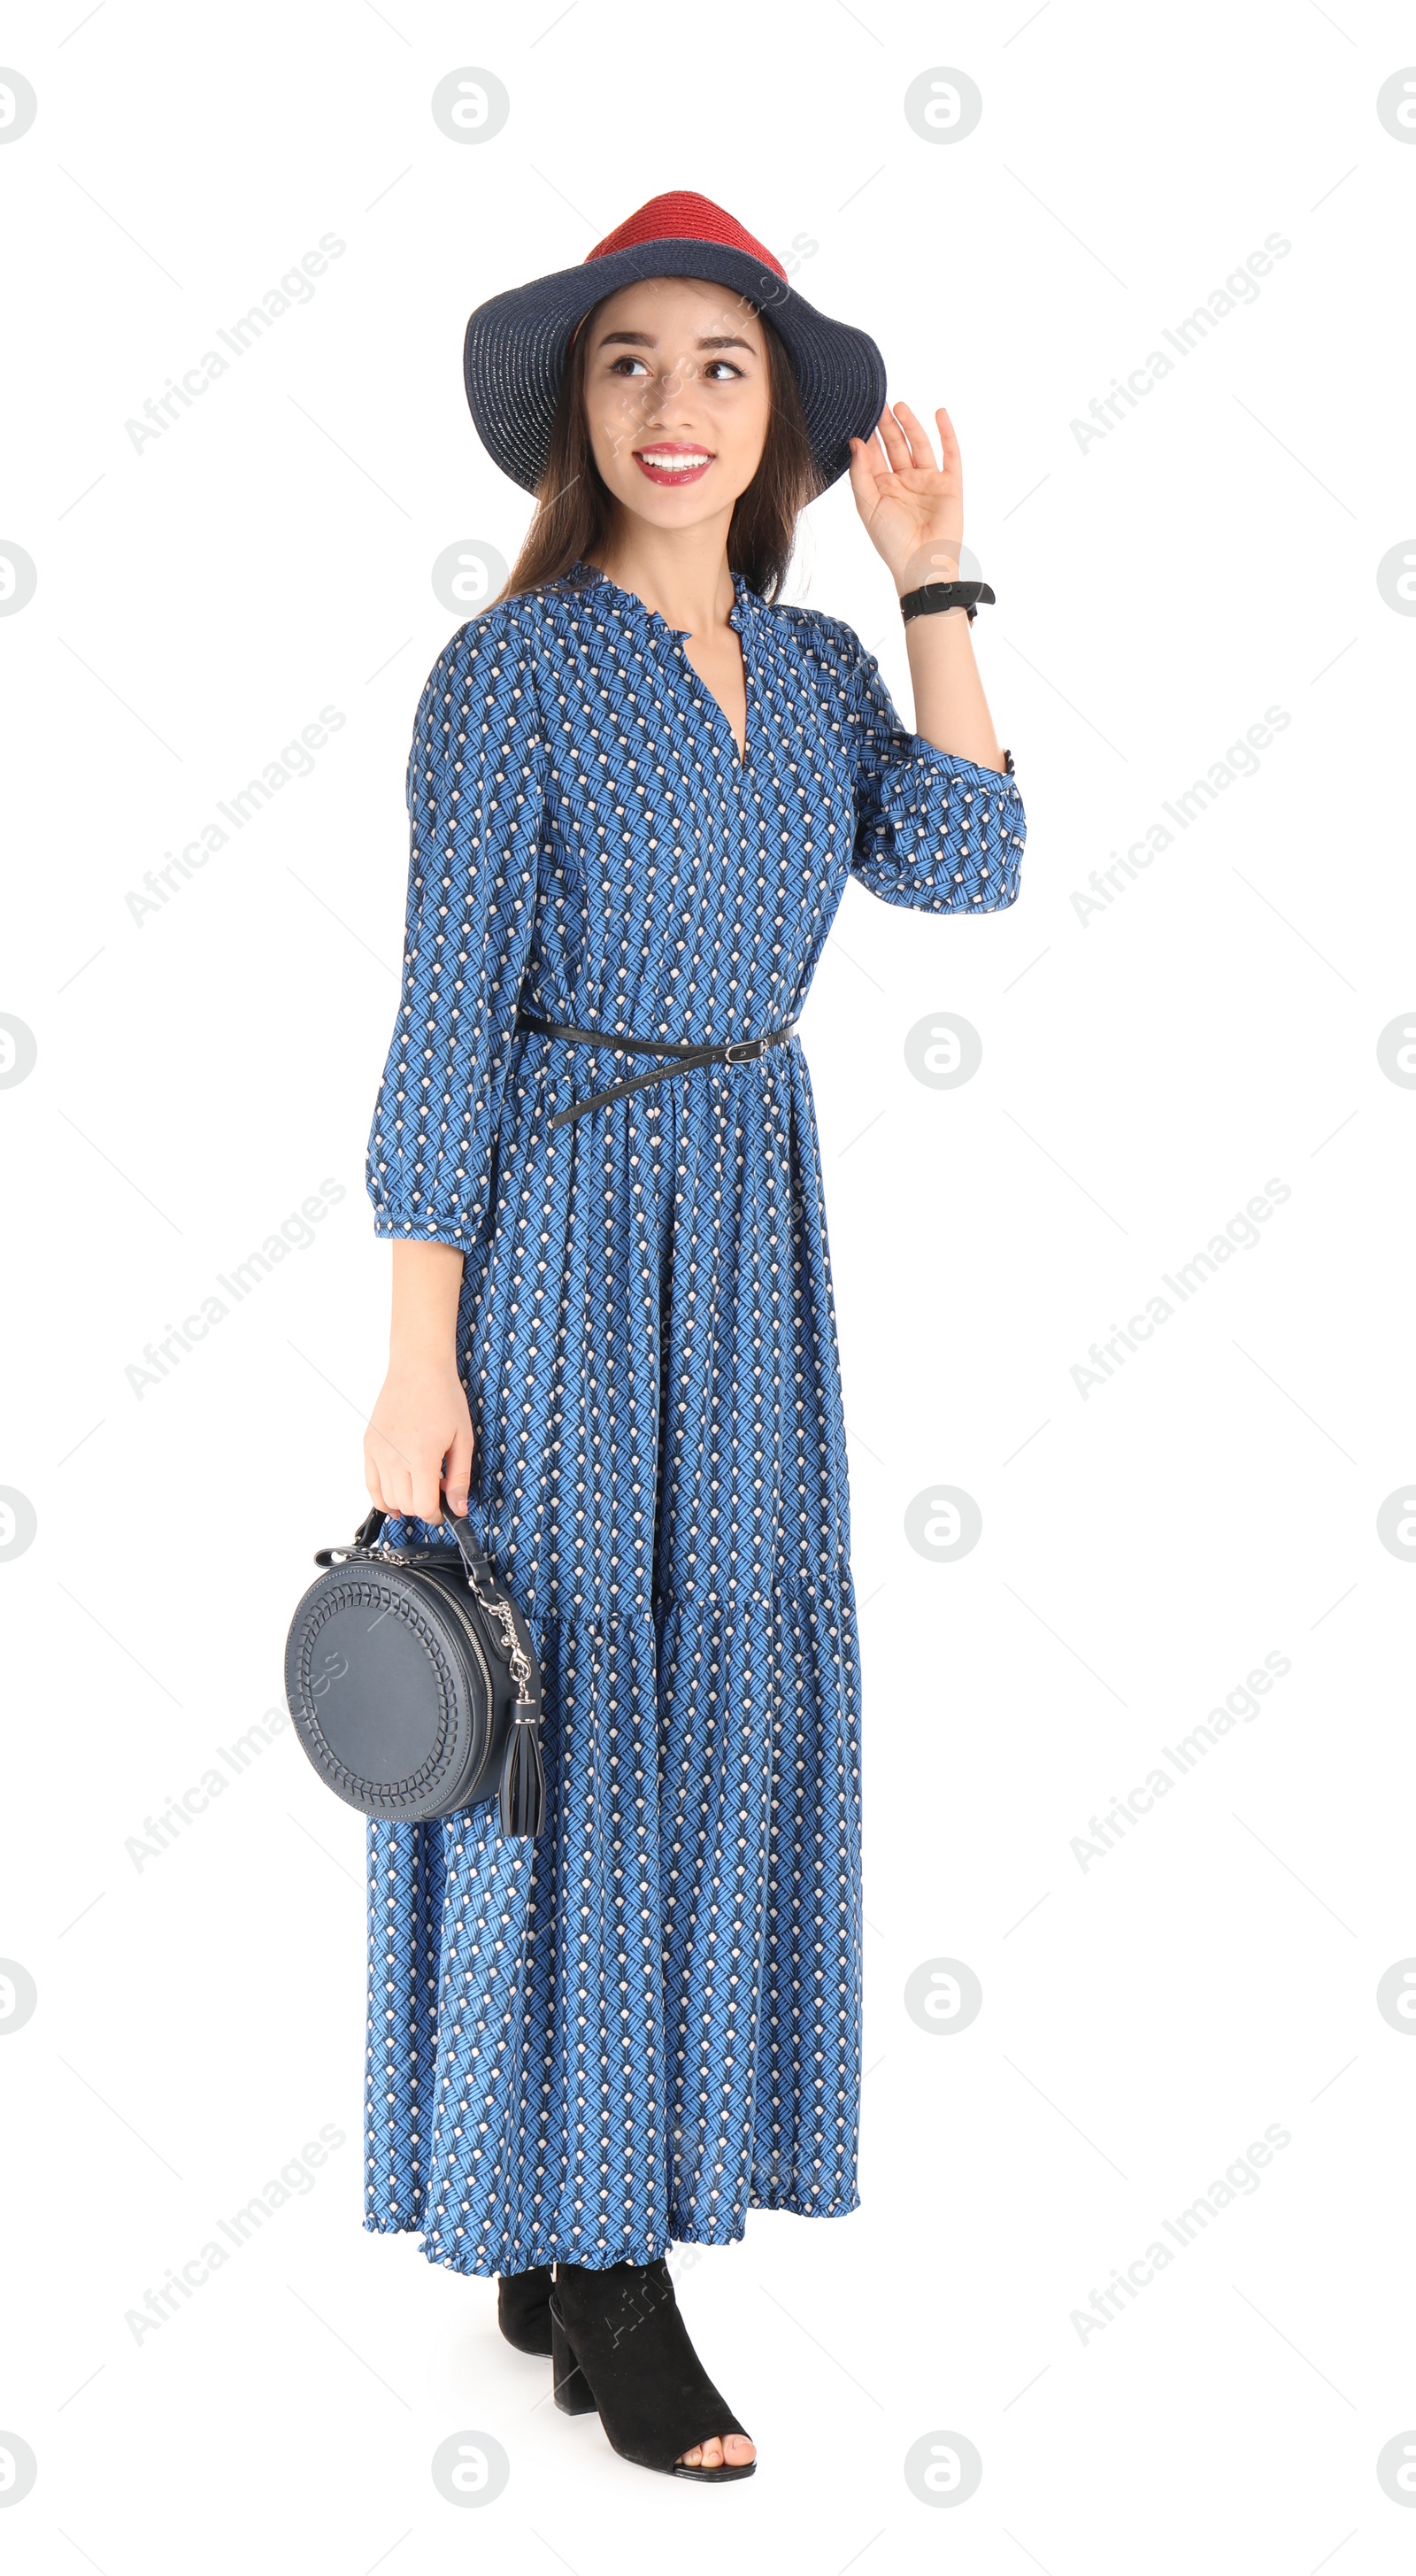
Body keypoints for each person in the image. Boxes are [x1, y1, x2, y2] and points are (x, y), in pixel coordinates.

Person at [358, 189, 1026, 2484]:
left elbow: (964, 864)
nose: (673, 406)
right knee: (572, 1703)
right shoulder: (513, 673)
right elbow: (445, 1025)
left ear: (785, 426)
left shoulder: (826, 672)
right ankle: (610, 2265)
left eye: (721, 368)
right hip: (551, 1229)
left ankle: (576, 2226)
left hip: (747, 1230)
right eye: (630, 365)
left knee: (713, 1681)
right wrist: (412, 1350)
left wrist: (936, 578)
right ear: (577, 410)